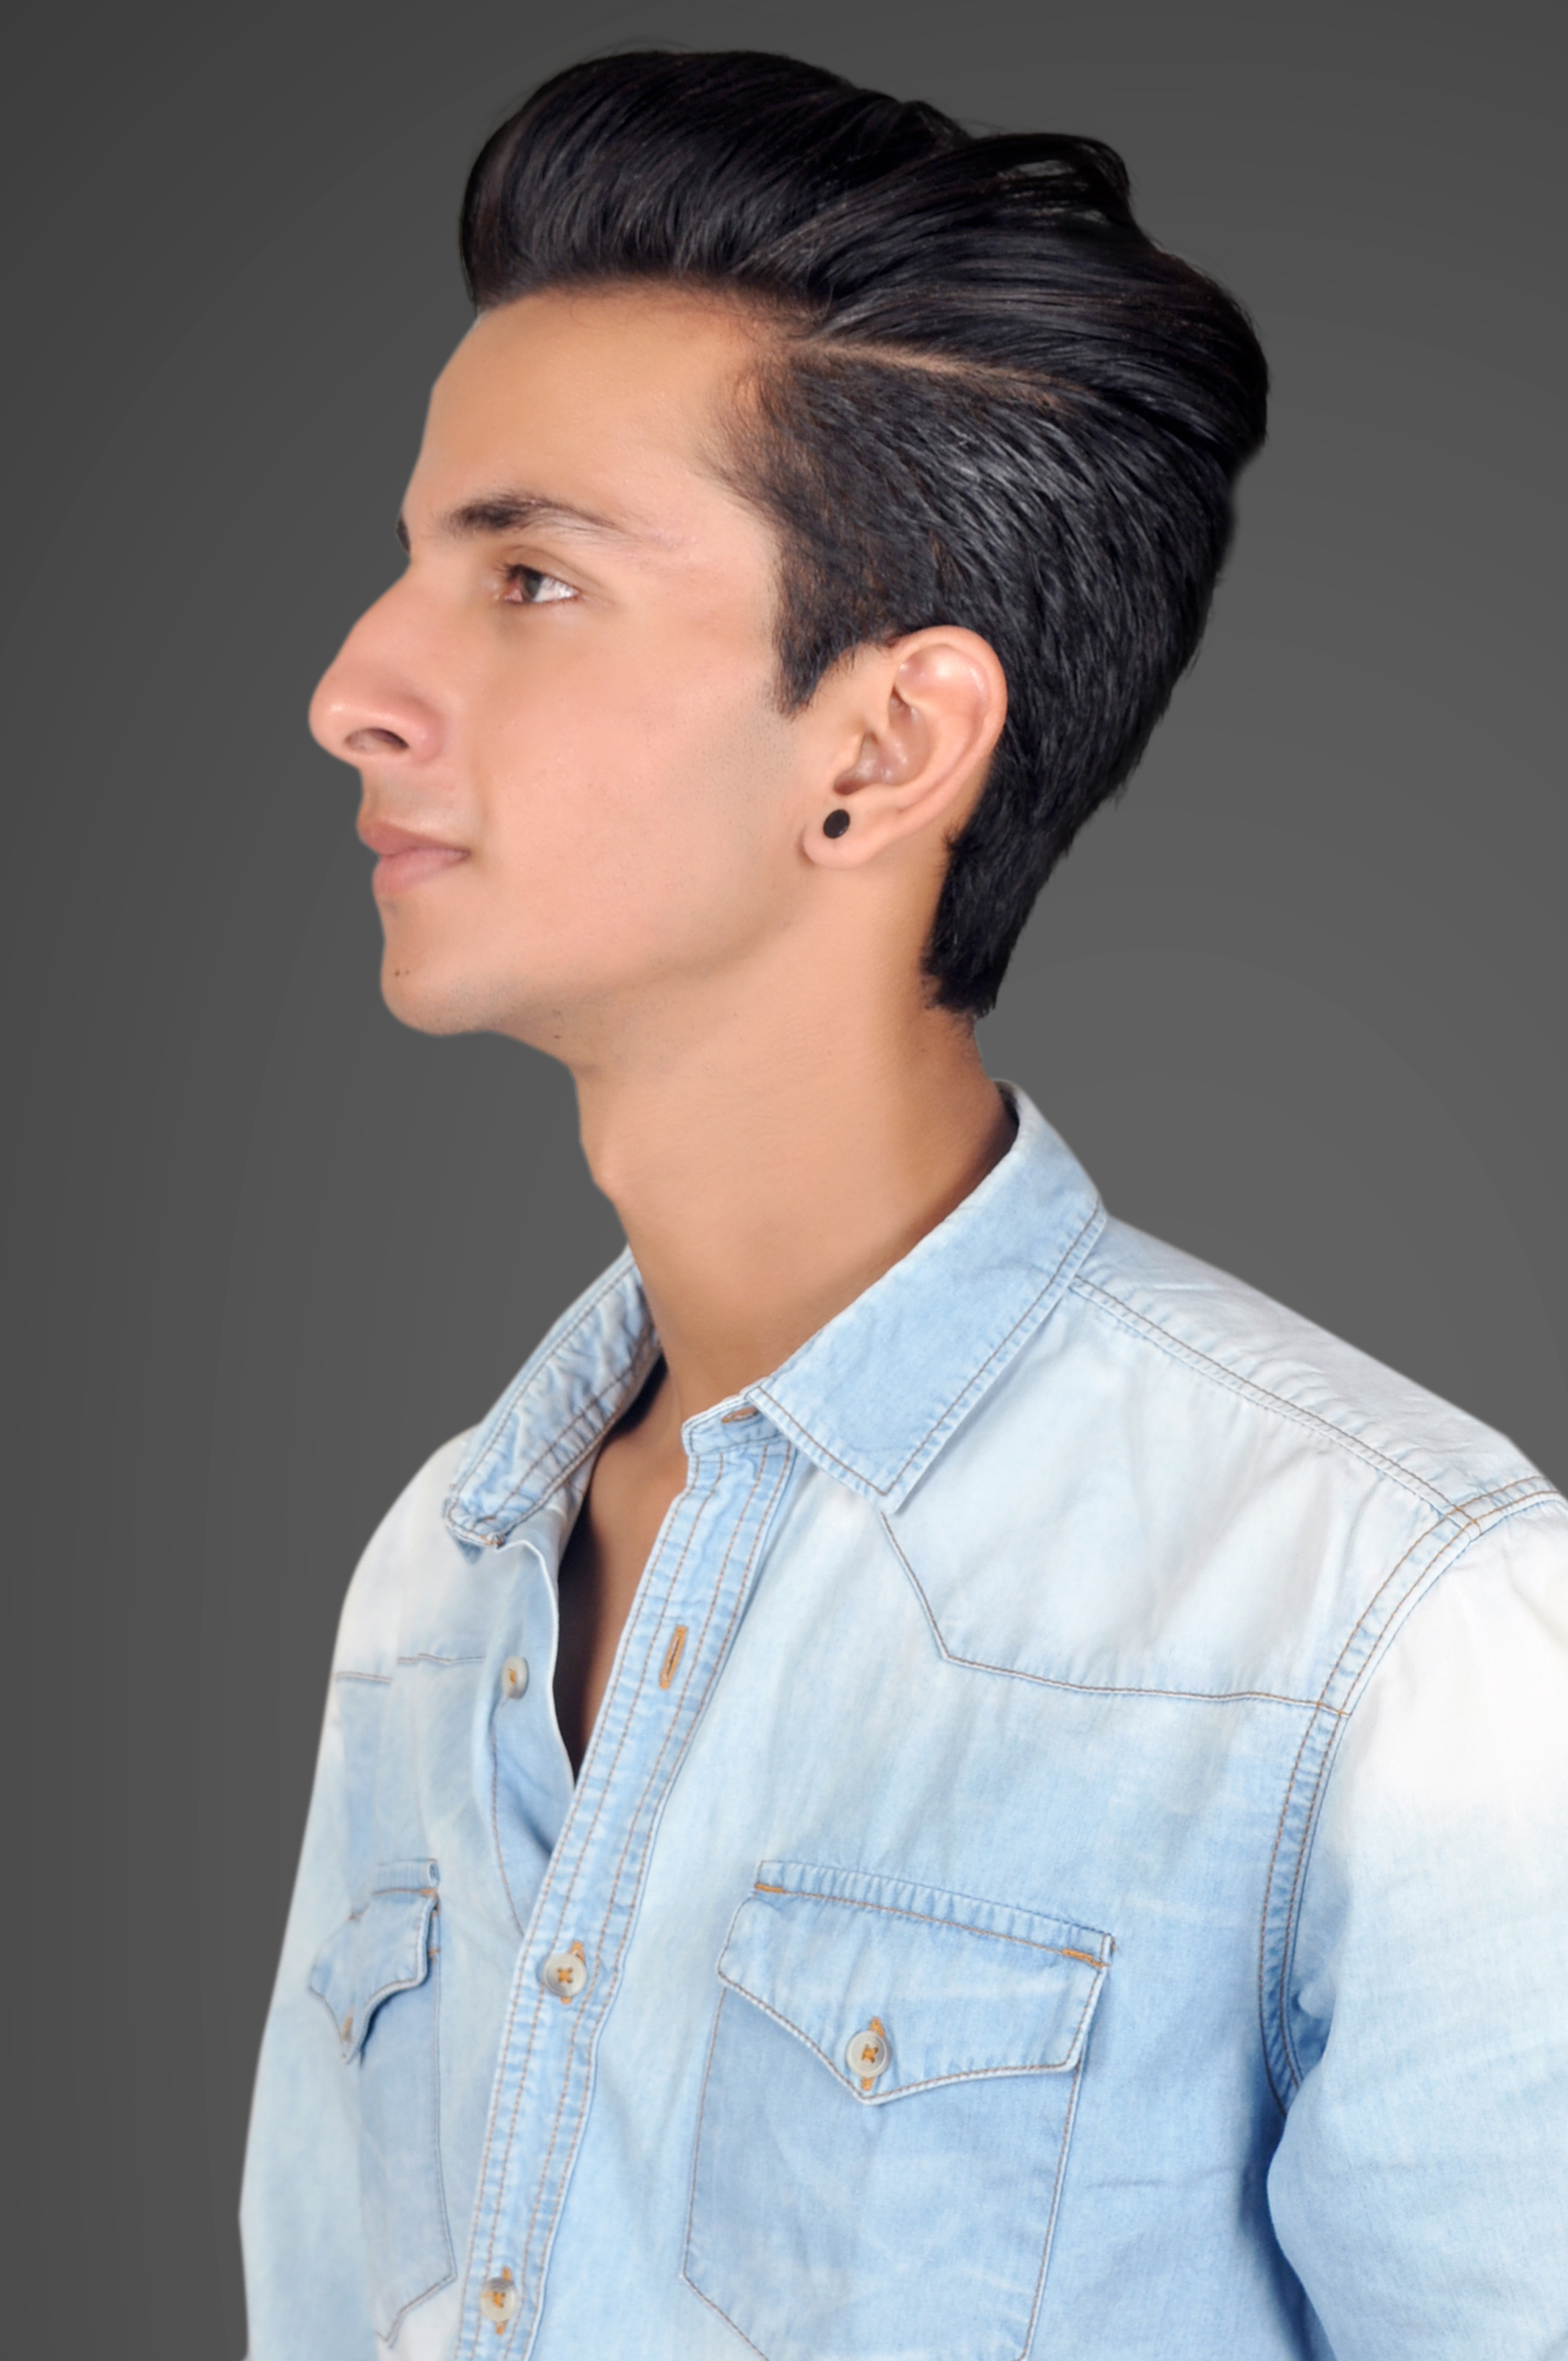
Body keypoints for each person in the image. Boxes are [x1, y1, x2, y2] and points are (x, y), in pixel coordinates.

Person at [238, 47, 1567, 2361]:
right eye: (415, 561)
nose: (358, 686)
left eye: (532, 576)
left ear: (884, 745)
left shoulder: (1389, 1622)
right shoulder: (441, 1577)